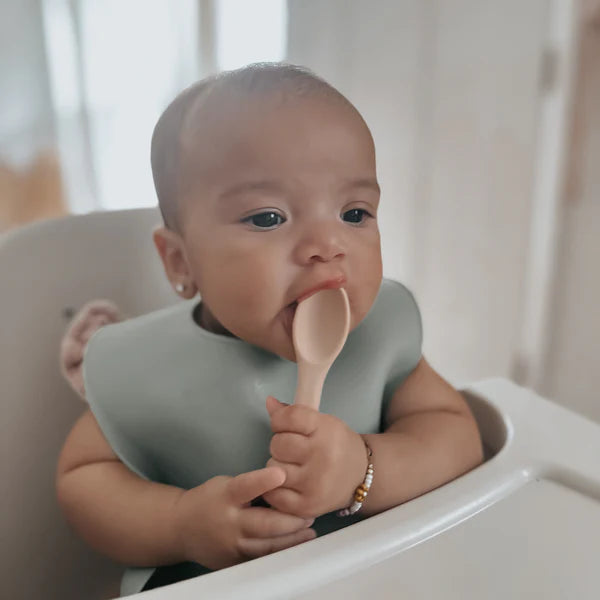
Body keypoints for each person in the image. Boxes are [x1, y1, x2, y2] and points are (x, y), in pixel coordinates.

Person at [56, 63, 483, 596]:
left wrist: (364, 469)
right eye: (268, 218)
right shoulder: (150, 365)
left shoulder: (374, 338)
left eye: (354, 213)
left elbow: (458, 435)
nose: (328, 245)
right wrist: (182, 524)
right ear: (180, 262)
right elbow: (83, 480)